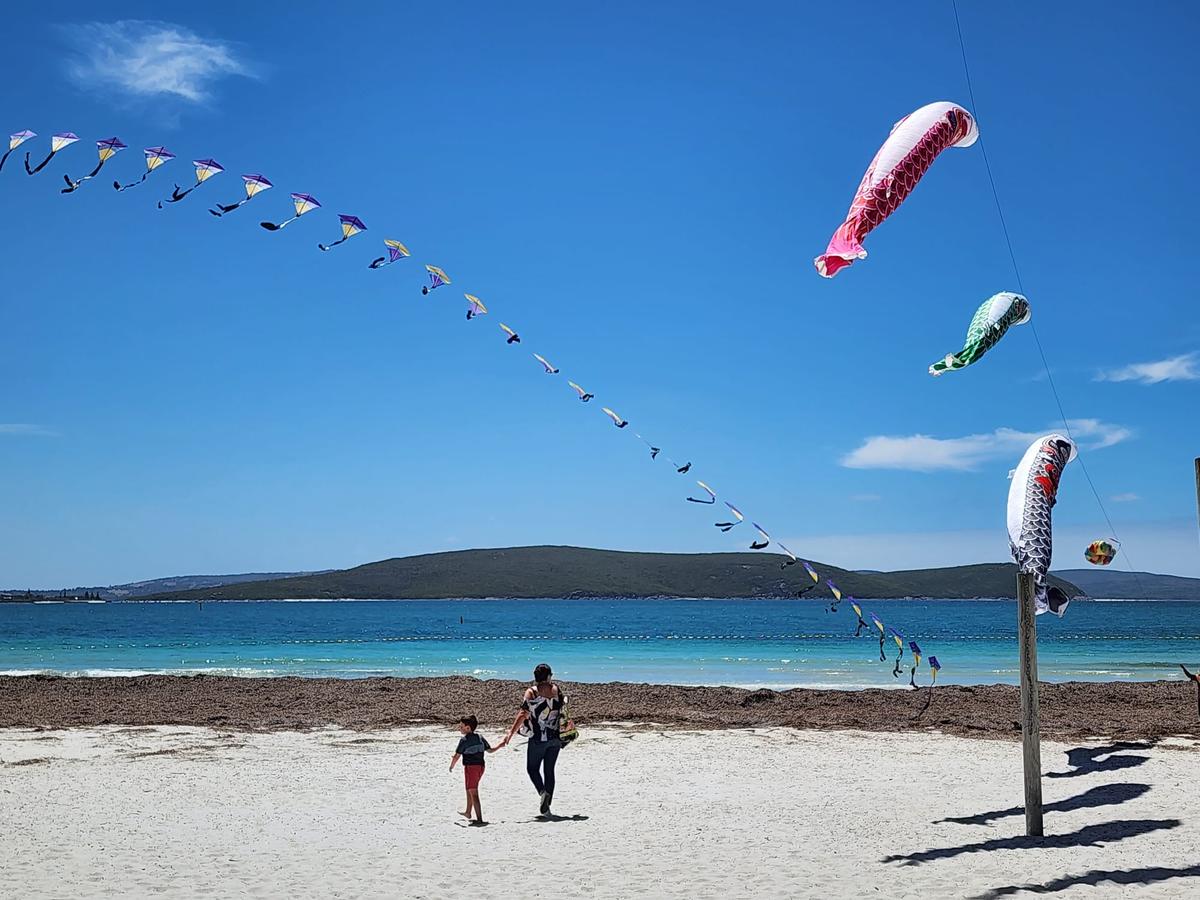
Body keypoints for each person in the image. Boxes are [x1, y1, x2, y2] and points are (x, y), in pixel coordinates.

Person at [501, 662, 569, 816]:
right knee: (549, 770)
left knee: (532, 769)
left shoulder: (531, 692)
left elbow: (523, 713)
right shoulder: (556, 689)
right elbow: (562, 708)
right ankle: (547, 806)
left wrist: (511, 732)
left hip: (538, 738)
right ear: (549, 675)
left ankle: (542, 793)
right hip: (555, 737)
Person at [449, 715, 499, 825]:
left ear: (468, 728)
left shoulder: (464, 740)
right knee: (469, 789)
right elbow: (490, 750)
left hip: (472, 768)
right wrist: (501, 745)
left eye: (461, 726)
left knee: (474, 792)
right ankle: (468, 812)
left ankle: (480, 819)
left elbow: (457, 756)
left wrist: (451, 766)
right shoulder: (480, 737)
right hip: (480, 767)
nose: (459, 728)